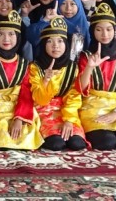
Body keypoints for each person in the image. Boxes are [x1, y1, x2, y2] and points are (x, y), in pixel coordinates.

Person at [0, 10, 44, 150]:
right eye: (0, 34)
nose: (6, 39)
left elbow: (25, 93)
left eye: (11, 34)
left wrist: (19, 118)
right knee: (3, 139)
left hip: (16, 109)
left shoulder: (24, 63)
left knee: (25, 137)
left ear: (18, 36)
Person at [77, 3, 116, 150]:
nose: (104, 34)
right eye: (99, 29)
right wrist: (89, 67)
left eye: (108, 29)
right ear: (93, 32)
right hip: (92, 107)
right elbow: (81, 88)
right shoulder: (86, 56)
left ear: (114, 30)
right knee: (107, 142)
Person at [28, 17, 86, 151]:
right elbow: (39, 100)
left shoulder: (72, 67)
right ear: (43, 45)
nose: (56, 46)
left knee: (77, 144)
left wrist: (69, 120)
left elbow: (74, 95)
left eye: (60, 41)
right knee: (56, 144)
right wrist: (46, 80)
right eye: (50, 41)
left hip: (67, 110)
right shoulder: (35, 67)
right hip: (44, 111)